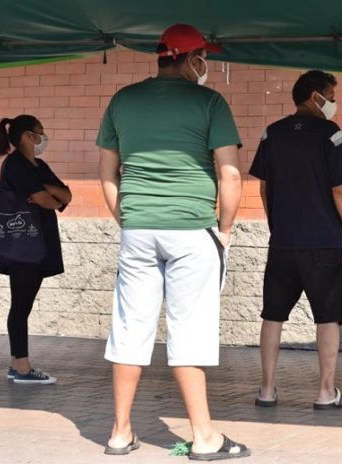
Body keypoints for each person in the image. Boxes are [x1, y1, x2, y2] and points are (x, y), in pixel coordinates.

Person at [97, 24, 249, 460]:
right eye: (204, 57)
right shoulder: (210, 102)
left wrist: (128, 219)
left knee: (129, 328)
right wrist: (224, 230)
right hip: (192, 230)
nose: (207, 65)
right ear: (189, 59)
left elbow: (107, 174)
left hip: (138, 230)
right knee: (189, 331)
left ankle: (120, 433)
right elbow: (230, 174)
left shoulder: (123, 100)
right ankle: (204, 437)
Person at [249, 70, 342, 410]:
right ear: (315, 97)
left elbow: (264, 187)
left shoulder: (272, 133)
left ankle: (267, 389)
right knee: (327, 316)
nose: (333, 103)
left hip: (283, 241)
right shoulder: (331, 135)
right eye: (331, 96)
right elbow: (340, 189)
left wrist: (276, 224)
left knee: (273, 315)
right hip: (323, 241)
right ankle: (326, 392)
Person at [0, 115, 71, 385]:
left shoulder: (40, 166)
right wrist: (50, 196)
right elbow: (45, 200)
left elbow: (66, 195)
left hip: (38, 243)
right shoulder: (16, 164)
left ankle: (17, 363)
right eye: (40, 132)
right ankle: (22, 367)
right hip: (22, 243)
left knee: (23, 304)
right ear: (28, 136)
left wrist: (49, 191)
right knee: (21, 304)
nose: (43, 137)